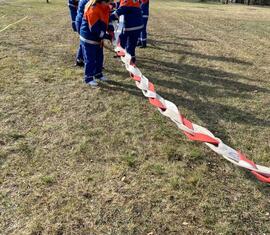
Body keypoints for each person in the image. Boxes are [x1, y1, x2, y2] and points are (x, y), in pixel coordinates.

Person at [80, 0, 112, 87]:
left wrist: (111, 30)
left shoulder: (105, 7)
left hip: (98, 38)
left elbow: (107, 20)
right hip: (88, 38)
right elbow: (94, 29)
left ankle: (98, 74)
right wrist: (106, 36)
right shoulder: (93, 9)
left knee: (99, 57)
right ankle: (89, 78)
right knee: (90, 59)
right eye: (109, 2)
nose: (110, 4)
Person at [75, 0, 89, 67]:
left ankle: (79, 59)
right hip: (82, 22)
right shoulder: (87, 1)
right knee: (85, 42)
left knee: (83, 42)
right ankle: (81, 59)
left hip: (80, 20)